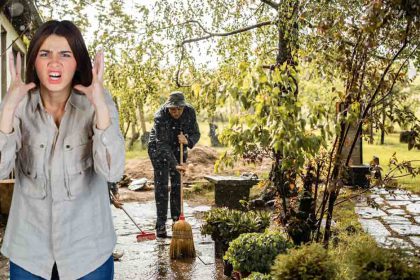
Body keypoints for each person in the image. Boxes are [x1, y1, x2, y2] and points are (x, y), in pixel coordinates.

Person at [0, 20, 125, 279]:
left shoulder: (98, 103)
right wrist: (8, 109)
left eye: (65, 54)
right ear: (34, 60)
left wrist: (100, 107)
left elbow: (113, 172)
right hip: (29, 253)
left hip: (88, 252)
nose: (54, 62)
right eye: (45, 54)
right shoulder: (18, 105)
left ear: (77, 61)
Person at [148, 92, 200, 238]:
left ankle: (177, 221)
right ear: (168, 107)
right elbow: (162, 144)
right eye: (172, 109)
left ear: (183, 107)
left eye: (178, 109)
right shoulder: (160, 117)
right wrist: (174, 164)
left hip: (179, 147)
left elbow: (196, 133)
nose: (175, 112)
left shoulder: (189, 112)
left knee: (178, 184)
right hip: (158, 148)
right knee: (162, 186)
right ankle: (161, 224)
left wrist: (188, 140)